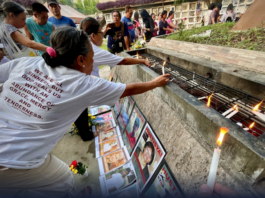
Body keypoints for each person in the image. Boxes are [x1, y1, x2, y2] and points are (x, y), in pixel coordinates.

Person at [0, 26, 170, 197]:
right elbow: (127, 90)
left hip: (12, 154)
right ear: (81, 60)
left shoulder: (28, 63)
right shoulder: (82, 84)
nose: (93, 62)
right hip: (16, 161)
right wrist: (154, 83)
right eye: (92, 58)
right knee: (62, 180)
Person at [76, 17, 151, 141]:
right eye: (102, 33)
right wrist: (143, 62)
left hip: (79, 87)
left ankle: (85, 131)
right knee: (79, 105)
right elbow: (123, 61)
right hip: (80, 87)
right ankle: (86, 134)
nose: (103, 35)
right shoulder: (93, 51)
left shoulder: (80, 43)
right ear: (93, 36)